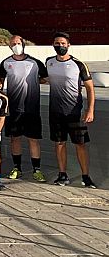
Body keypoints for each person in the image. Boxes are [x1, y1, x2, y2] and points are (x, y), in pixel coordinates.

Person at [46, 32, 96, 188]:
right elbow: (43, 78)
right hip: (55, 112)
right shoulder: (49, 62)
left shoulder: (78, 64)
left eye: (62, 43)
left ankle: (86, 176)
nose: (59, 46)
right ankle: (62, 175)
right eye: (56, 43)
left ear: (68, 45)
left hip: (75, 113)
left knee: (80, 144)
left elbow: (90, 88)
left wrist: (90, 109)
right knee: (59, 143)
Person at [0, 35, 48, 182]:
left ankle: (36, 170)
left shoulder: (34, 63)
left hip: (31, 108)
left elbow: (45, 78)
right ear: (9, 46)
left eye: (18, 43)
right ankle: (17, 168)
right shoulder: (5, 63)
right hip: (14, 108)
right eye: (13, 44)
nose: (16, 45)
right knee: (15, 139)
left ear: (23, 44)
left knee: (33, 139)